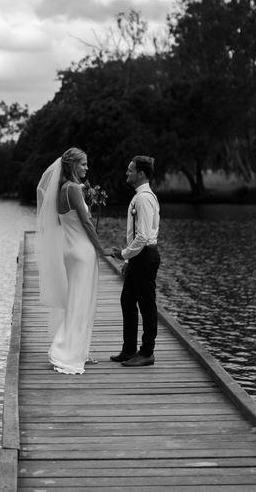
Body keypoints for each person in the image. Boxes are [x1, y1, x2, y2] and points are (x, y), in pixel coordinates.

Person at [36, 147, 109, 374]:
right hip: (83, 252)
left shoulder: (61, 191)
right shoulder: (74, 189)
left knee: (77, 301)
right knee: (81, 302)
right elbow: (86, 223)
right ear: (72, 165)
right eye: (84, 164)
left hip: (70, 251)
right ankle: (65, 351)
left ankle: (78, 350)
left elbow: (64, 222)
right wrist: (102, 250)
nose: (87, 168)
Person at [109, 155, 161, 367]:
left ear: (141, 173)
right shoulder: (141, 196)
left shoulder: (143, 198)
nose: (127, 173)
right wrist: (130, 261)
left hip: (145, 256)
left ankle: (147, 352)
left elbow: (143, 236)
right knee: (127, 301)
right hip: (138, 258)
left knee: (147, 305)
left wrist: (124, 254)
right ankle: (129, 350)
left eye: (130, 170)